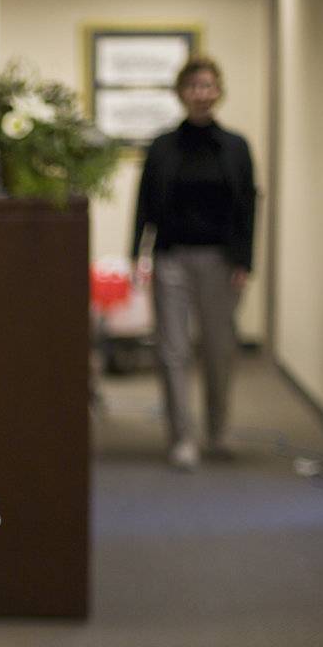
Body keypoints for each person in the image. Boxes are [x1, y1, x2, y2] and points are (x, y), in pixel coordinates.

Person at [131, 55, 258, 470]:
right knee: (172, 350)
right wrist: (138, 254)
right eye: (193, 86)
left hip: (221, 260)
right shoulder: (162, 146)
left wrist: (245, 259)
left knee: (220, 348)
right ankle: (182, 437)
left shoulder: (236, 147)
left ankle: (217, 432)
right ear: (181, 93)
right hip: (171, 257)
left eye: (208, 86)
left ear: (218, 91)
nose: (200, 93)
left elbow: (247, 207)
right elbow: (144, 203)